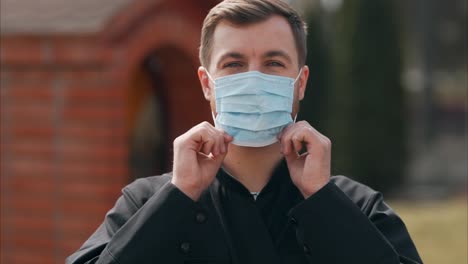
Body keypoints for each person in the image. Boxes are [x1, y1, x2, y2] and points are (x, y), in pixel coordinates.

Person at [67, 0, 422, 263]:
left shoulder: (358, 206)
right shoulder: (145, 202)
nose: (254, 79)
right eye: (234, 64)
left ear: (301, 83)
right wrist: (179, 195)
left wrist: (322, 199)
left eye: (273, 63)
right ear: (207, 84)